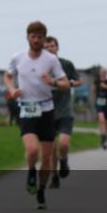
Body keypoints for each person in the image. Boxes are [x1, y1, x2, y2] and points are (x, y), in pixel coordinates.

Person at [4, 21, 68, 210]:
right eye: (33, 36)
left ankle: (41, 190)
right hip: (27, 110)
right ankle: (31, 171)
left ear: (43, 39)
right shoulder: (18, 58)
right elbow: (8, 76)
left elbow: (65, 84)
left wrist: (54, 82)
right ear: (28, 37)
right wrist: (12, 89)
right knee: (32, 150)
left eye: (40, 37)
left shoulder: (51, 60)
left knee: (47, 158)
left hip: (47, 111)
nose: (37, 40)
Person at [44, 36, 83, 189]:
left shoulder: (66, 64)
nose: (50, 49)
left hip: (65, 110)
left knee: (64, 143)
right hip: (47, 112)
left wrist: (72, 83)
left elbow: (79, 80)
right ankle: (54, 176)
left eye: (52, 46)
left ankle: (64, 160)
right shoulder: (40, 66)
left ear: (57, 48)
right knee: (52, 147)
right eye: (47, 47)